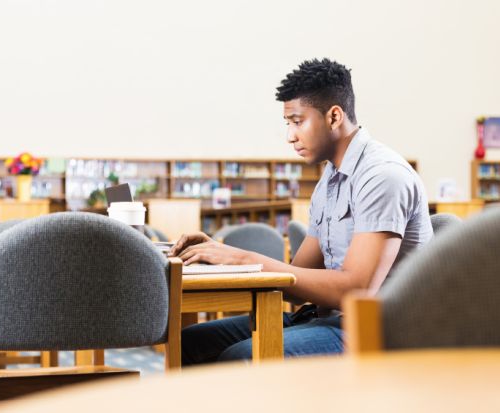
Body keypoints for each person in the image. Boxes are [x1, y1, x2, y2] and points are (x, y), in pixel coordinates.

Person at [169, 58, 433, 364]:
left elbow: (356, 289)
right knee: (189, 342)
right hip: (325, 318)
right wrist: (220, 255)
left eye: (298, 121)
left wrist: (243, 258)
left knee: (240, 357)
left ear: (334, 116)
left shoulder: (382, 175)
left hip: (376, 328)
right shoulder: (330, 179)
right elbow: (294, 284)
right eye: (288, 124)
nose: (290, 136)